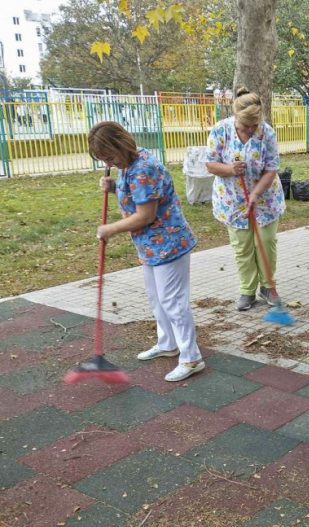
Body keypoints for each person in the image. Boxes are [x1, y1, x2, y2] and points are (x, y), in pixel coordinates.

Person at [88, 121, 205, 382]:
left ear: (121, 144)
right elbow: (142, 194)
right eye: (103, 159)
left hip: (169, 244)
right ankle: (168, 344)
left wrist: (110, 229)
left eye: (109, 156)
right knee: (157, 298)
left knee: (173, 302)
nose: (109, 162)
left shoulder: (143, 168)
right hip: (151, 246)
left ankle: (192, 357)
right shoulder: (130, 163)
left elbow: (145, 215)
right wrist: (115, 187)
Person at [205, 86, 286, 311]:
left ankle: (268, 287)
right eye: (246, 126)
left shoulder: (266, 132)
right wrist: (230, 169)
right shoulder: (220, 131)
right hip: (232, 200)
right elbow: (210, 164)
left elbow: (271, 168)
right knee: (242, 246)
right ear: (236, 117)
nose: (251, 130)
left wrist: (256, 194)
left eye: (254, 126)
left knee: (266, 242)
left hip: (265, 198)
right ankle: (247, 290)